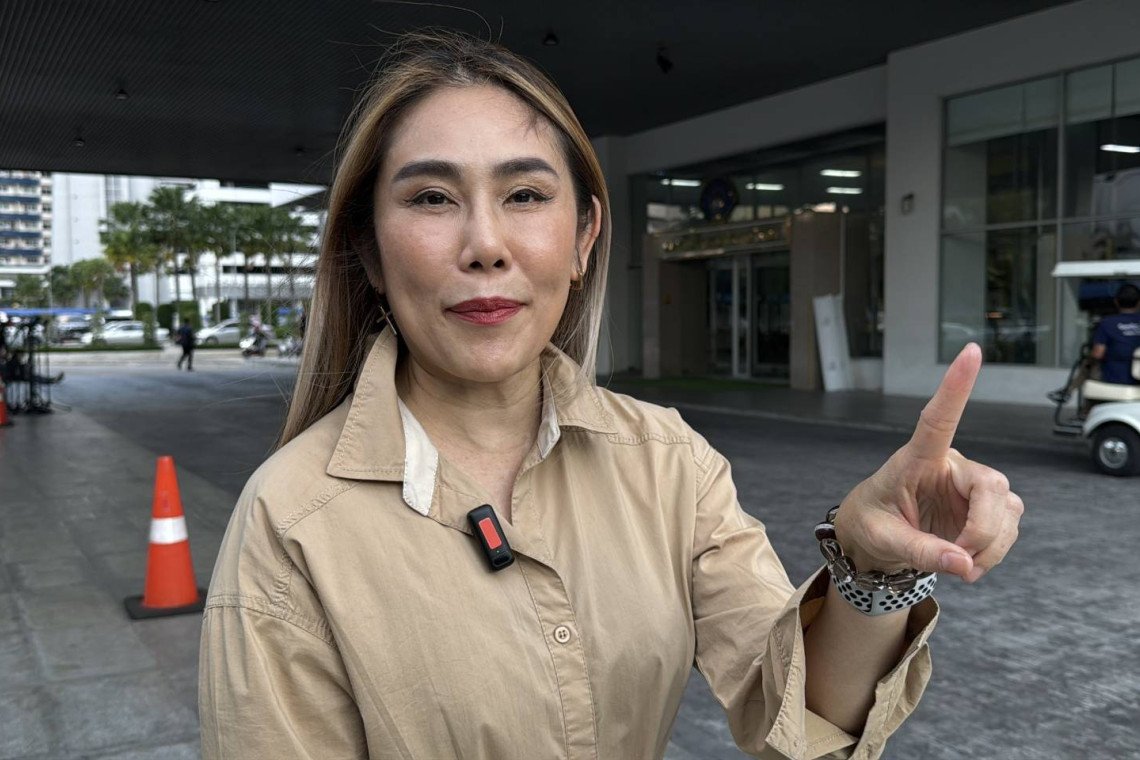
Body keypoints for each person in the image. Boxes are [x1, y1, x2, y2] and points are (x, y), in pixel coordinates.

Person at [199, 31, 1022, 760]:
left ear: (584, 238)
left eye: (525, 195)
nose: (485, 244)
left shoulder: (669, 464)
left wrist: (872, 568)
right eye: (431, 198)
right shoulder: (291, 521)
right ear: (370, 253)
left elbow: (801, 714)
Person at [1047, 281, 1140, 403]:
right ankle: (1069, 392)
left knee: (1089, 364)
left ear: (1116, 301)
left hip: (1114, 376)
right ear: (1139, 302)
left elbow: (1098, 354)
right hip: (1137, 377)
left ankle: (1070, 393)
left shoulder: (1107, 323)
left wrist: (1088, 358)